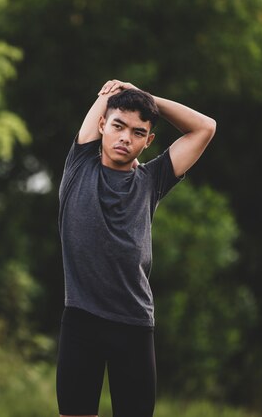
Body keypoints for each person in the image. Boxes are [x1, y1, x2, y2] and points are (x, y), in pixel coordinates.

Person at [56, 79, 216, 417]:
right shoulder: (79, 165)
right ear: (103, 126)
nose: (126, 137)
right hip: (81, 322)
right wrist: (113, 94)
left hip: (133, 325)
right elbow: (105, 101)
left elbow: (205, 127)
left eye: (138, 132)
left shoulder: (152, 180)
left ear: (148, 141)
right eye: (118, 126)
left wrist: (149, 98)